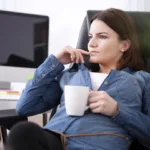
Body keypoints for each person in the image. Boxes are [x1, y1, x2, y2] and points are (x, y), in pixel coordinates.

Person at [4, 8, 150, 150]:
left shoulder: (141, 80)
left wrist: (117, 110)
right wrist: (55, 62)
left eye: (102, 36)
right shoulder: (72, 74)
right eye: (90, 37)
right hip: (54, 138)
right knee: (22, 132)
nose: (91, 44)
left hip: (97, 143)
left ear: (124, 45)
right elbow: (25, 107)